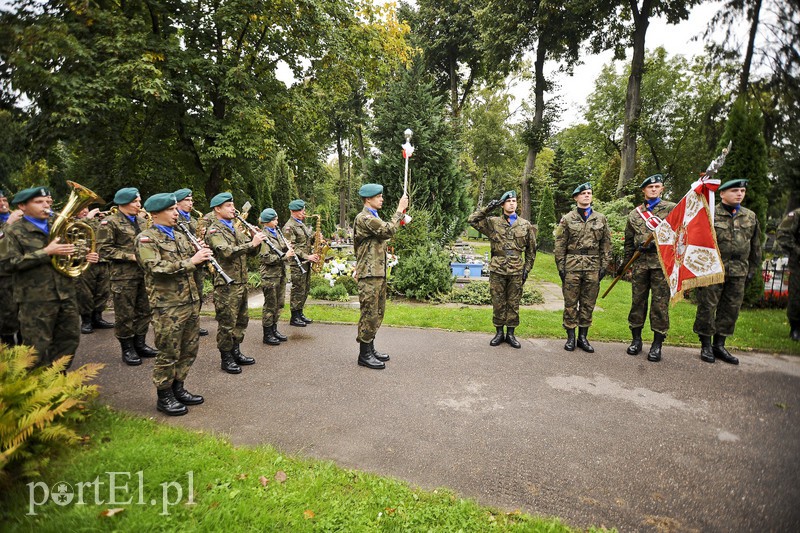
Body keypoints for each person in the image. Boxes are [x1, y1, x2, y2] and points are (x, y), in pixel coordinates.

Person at [0, 186, 98, 367]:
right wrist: (46, 252)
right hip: (35, 299)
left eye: (48, 201)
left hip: (66, 293)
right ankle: (39, 388)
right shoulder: (12, 232)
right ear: (22, 206)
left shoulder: (59, 224)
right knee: (37, 347)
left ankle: (59, 378)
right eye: (39, 202)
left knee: (69, 340)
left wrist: (85, 256)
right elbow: (7, 265)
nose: (46, 205)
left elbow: (71, 252)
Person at [134, 193, 210, 416]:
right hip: (167, 306)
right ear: (155, 213)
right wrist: (192, 261)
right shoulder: (146, 239)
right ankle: (164, 395)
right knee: (168, 351)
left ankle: (179, 387)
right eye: (171, 210)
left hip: (190, 301)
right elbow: (154, 267)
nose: (176, 213)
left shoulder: (180, 235)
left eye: (176, 209)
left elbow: (193, 264)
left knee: (189, 349)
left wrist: (201, 255)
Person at [693, 179, 761, 364]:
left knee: (731, 309)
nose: (739, 194)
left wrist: (753, 269)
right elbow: (697, 242)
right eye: (734, 190)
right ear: (722, 194)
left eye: (742, 190)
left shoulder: (750, 216)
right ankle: (706, 345)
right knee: (707, 307)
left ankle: (719, 345)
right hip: (713, 268)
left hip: (738, 271)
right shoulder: (710, 214)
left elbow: (755, 246)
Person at [97, 187, 159, 365]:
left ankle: (140, 343)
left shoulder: (142, 221)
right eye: (135, 201)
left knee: (144, 310)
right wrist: (130, 256)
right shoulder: (110, 222)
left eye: (139, 201)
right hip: (123, 276)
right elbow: (103, 250)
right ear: (123, 203)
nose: (139, 205)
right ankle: (127, 348)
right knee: (125, 313)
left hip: (144, 274)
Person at [468, 190, 538, 349]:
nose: (512, 203)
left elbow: (531, 250)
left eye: (514, 200)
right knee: (498, 302)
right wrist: (487, 209)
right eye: (508, 201)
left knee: (513, 302)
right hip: (497, 269)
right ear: (502, 204)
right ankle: (499, 333)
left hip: (516, 270)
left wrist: (527, 269)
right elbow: (472, 220)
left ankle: (511, 334)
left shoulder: (525, 225)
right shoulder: (493, 223)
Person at [205, 192, 264, 373]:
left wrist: (257, 240)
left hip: (241, 282)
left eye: (233, 205)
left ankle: (236, 351)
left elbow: (251, 252)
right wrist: (251, 244)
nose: (233, 209)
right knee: (227, 323)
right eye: (229, 206)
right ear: (217, 209)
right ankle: (226, 357)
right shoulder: (214, 230)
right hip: (226, 285)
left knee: (241, 320)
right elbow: (227, 252)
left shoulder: (235, 229)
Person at [622, 174, 676, 362]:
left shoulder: (672, 209)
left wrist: (658, 245)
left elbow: (679, 235)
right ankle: (636, 340)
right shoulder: (634, 214)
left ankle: (657, 344)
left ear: (662, 189)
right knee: (638, 302)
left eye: (657, 186)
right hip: (640, 265)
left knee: (660, 304)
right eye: (650, 187)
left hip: (661, 265)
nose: (653, 189)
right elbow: (629, 240)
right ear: (643, 190)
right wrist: (626, 263)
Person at [353, 184, 408, 368]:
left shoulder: (373, 217)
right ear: (368, 199)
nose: (382, 199)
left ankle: (370, 348)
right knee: (369, 313)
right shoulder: (365, 218)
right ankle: (364, 354)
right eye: (378, 196)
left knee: (377, 313)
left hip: (376, 272)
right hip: (369, 275)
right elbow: (387, 231)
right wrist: (400, 210)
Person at [554, 182, 611, 353]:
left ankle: (583, 337)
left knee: (588, 303)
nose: (587, 195)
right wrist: (561, 267)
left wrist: (604, 266)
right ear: (576, 197)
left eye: (589, 193)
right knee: (571, 302)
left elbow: (606, 244)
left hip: (593, 266)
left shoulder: (600, 219)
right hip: (572, 265)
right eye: (583, 193)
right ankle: (571, 337)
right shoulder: (567, 219)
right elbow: (560, 244)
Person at [175, 188, 209, 336]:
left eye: (191, 200)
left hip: (197, 264)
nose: (191, 203)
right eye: (187, 200)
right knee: (182, 298)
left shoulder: (194, 220)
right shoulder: (174, 220)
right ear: (177, 203)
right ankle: (183, 325)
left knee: (198, 295)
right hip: (183, 263)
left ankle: (194, 323)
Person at [76, 207, 114, 334]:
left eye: (86, 208)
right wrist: (88, 218)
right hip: (85, 263)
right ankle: (86, 321)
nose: (85, 211)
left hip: (102, 260)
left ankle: (97, 318)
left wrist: (103, 219)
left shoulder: (96, 221)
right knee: (85, 294)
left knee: (103, 291)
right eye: (82, 209)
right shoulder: (71, 223)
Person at [282, 199, 320, 327]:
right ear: (294, 211)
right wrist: (307, 256)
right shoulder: (289, 227)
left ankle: (300, 312)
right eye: (302, 210)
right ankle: (294, 316)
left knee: (305, 288)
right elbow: (290, 247)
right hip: (297, 263)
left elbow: (305, 241)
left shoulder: (301, 224)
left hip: (305, 262)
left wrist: (316, 237)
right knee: (297, 289)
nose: (304, 212)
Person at [259, 208, 292, 345]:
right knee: (270, 305)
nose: (277, 222)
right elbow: (265, 258)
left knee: (279, 303)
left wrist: (287, 247)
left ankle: (274, 329)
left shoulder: (276, 233)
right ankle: (267, 333)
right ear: (268, 221)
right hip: (270, 276)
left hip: (280, 274)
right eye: (275, 220)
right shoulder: (263, 236)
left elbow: (281, 248)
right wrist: (285, 257)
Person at [0, 188, 22, 345]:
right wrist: (8, 223)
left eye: (5, 200)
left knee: (24, 314)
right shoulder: (9, 221)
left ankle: (25, 354)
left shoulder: (16, 218)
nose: (3, 204)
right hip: (3, 276)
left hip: (21, 272)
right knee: (7, 316)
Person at [776, 206, 800, 341]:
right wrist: (797, 251)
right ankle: (795, 327)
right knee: (797, 295)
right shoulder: (797, 215)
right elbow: (783, 235)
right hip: (799, 264)